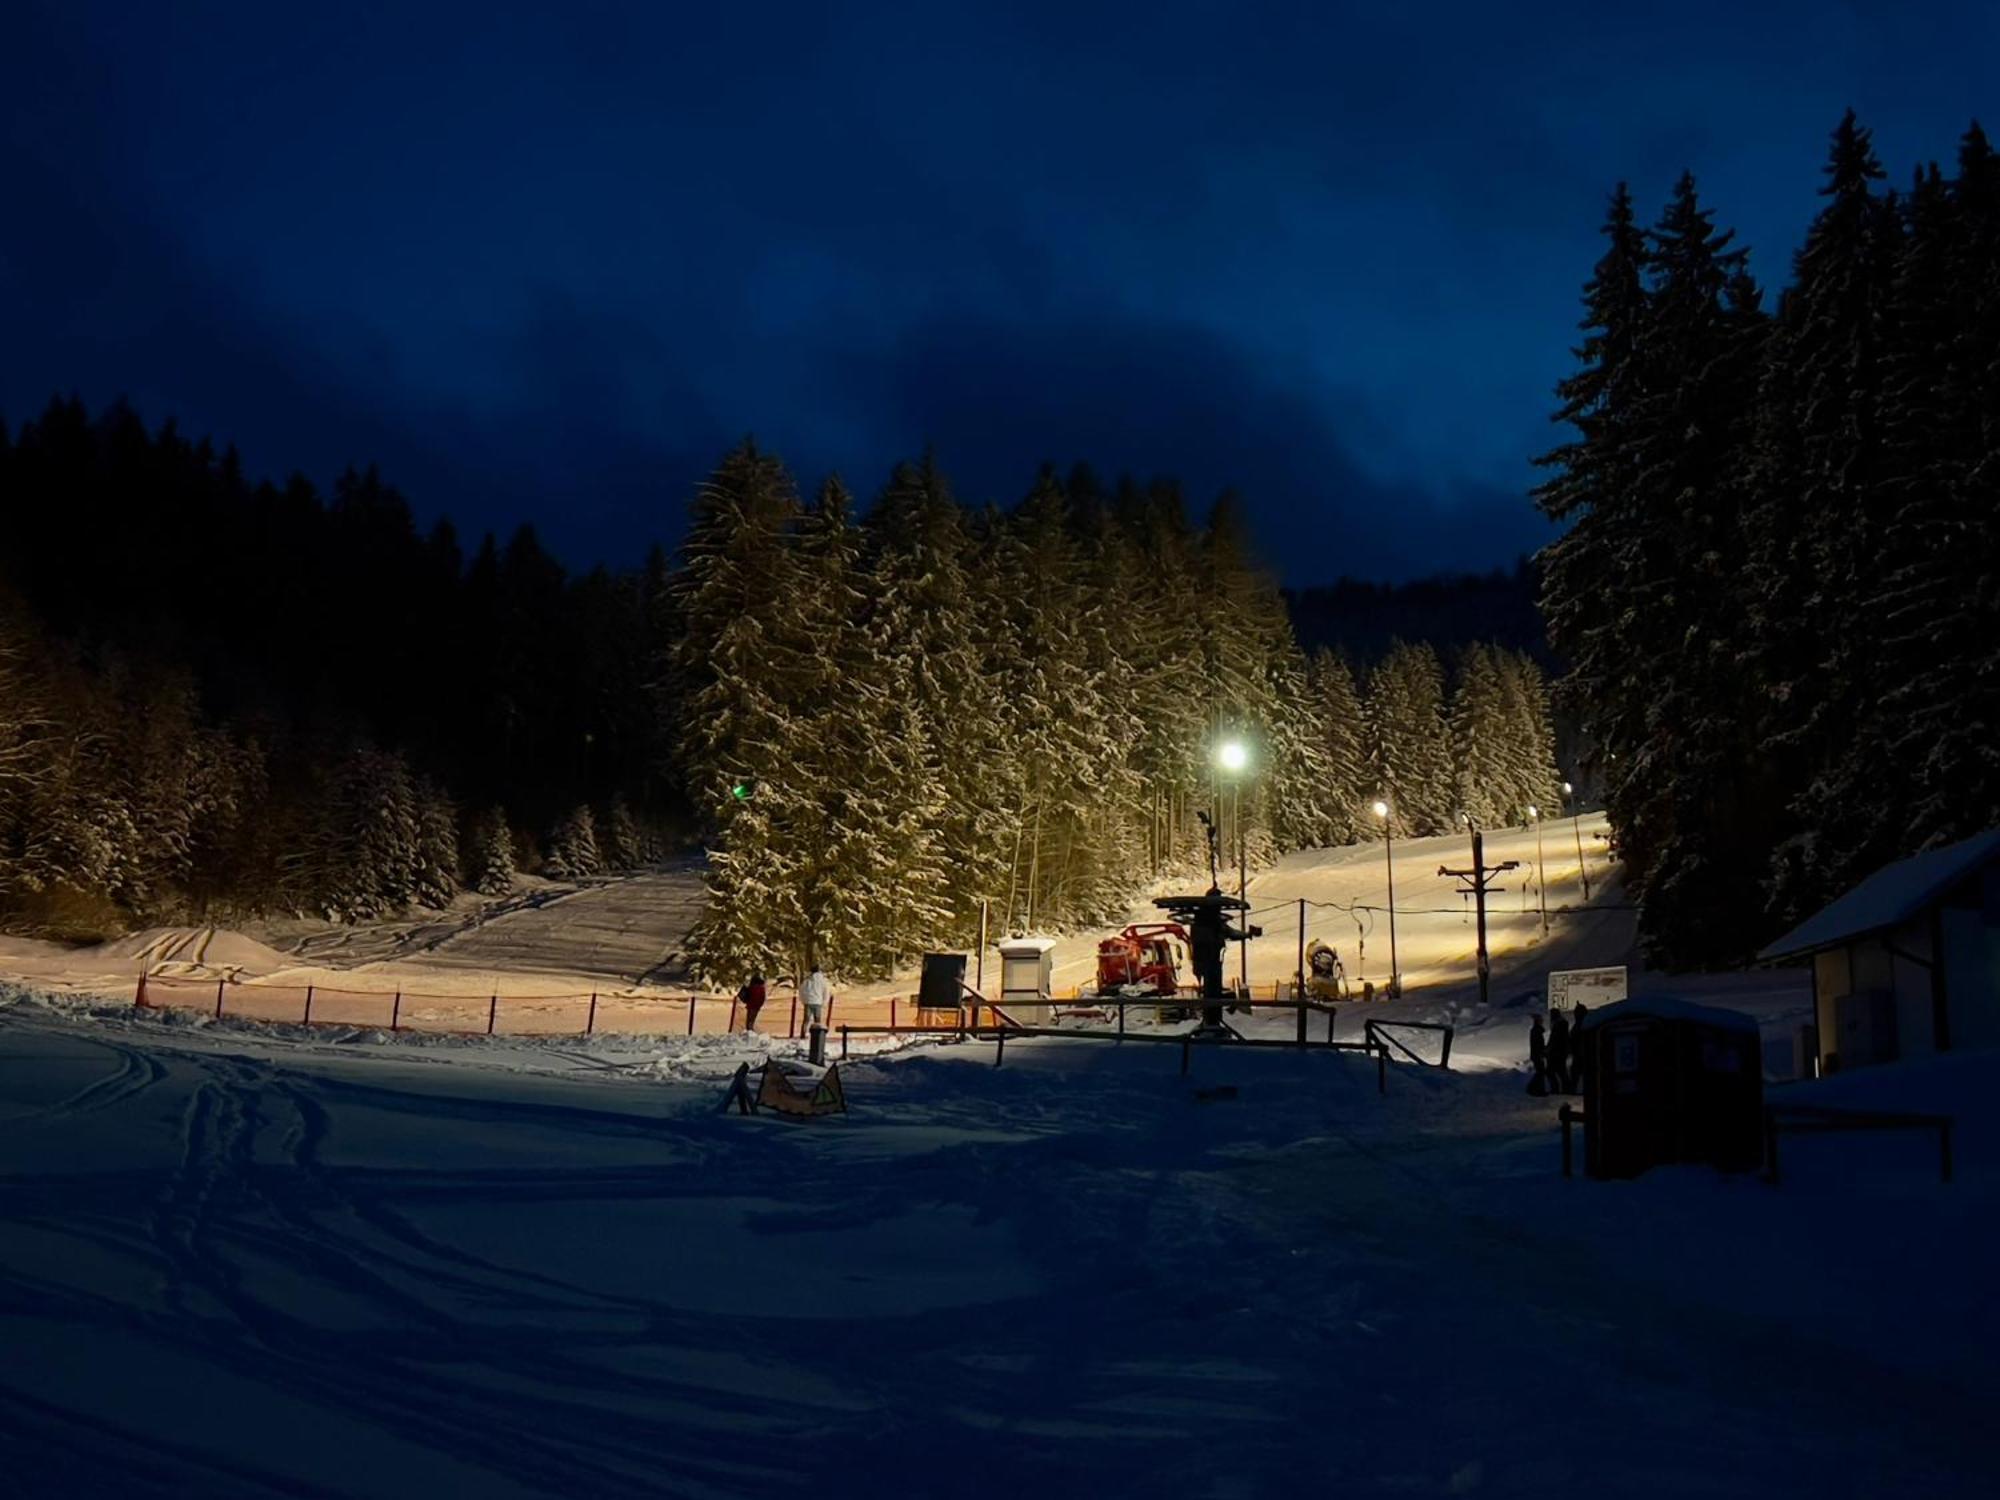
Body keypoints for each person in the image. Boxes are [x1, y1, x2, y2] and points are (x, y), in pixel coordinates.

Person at [800, 964, 831, 1033]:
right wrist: (824, 1002)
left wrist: (803, 1000)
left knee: (806, 1020)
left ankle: (803, 1034)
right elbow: (826, 991)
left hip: (808, 1002)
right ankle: (817, 1035)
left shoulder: (807, 980)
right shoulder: (822, 980)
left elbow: (801, 990)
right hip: (818, 1002)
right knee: (817, 1020)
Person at [1547, 1007, 1571, 1095]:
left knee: (1555, 1071)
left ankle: (1558, 1089)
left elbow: (1555, 1040)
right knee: (1560, 1071)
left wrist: (1549, 1049)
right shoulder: (1560, 1025)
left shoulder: (1559, 1025)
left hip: (1557, 1053)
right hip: (1558, 1052)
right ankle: (1564, 1089)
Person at [1568, 1003, 1589, 1093]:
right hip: (1582, 1055)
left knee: (1576, 1074)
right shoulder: (1585, 1023)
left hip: (1580, 1055)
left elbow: (1573, 1040)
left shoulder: (1580, 1025)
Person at [1526, 1014, 1549, 1096]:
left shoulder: (1535, 1030)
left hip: (1537, 1055)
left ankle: (1535, 1089)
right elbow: (1537, 1044)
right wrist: (1542, 1053)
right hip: (1537, 1055)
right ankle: (1535, 1089)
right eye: (1541, 1020)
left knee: (1540, 1072)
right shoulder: (1536, 1031)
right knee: (1540, 1072)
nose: (1542, 1021)